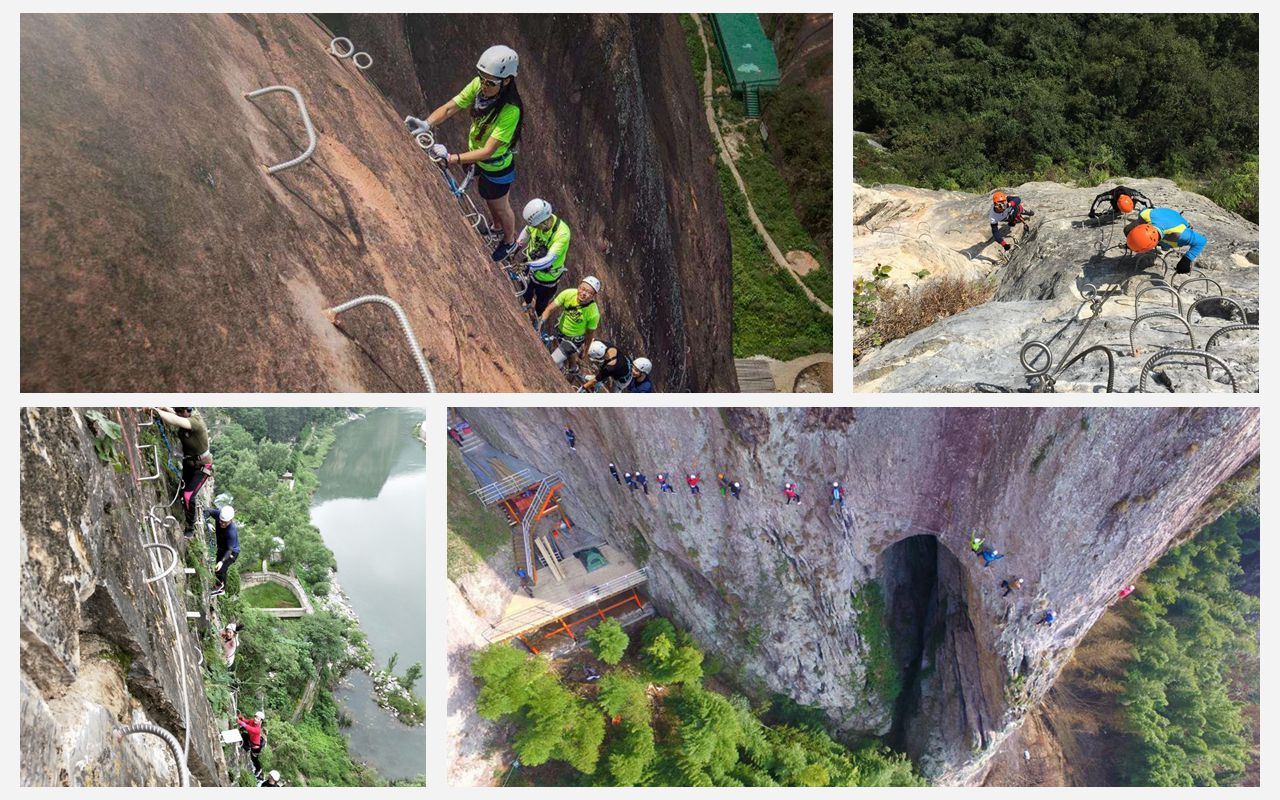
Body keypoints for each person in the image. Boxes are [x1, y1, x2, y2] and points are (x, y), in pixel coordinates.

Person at [405, 45, 524, 261]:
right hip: (477, 156)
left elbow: (488, 151)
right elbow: (452, 106)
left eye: (491, 82)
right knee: (487, 197)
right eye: (482, 78)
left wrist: (452, 158)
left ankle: (508, 241)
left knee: (500, 204)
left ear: (506, 81)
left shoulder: (511, 110)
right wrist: (426, 124)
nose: (484, 85)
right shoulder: (480, 86)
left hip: (496, 166)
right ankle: (496, 227)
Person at [149, 406, 211, 536]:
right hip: (189, 464)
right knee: (184, 492)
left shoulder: (195, 422)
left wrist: (158, 412)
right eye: (176, 411)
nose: (177, 413)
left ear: (186, 411)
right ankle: (185, 511)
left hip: (203, 467)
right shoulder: (185, 416)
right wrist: (162, 407)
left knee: (188, 495)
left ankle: (190, 526)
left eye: (179, 411)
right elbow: (174, 414)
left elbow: (175, 420)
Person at [515, 199, 571, 315]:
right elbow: (527, 230)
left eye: (537, 226)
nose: (534, 228)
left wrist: (526, 265)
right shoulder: (537, 221)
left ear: (544, 222)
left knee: (541, 303)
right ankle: (527, 303)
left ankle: (537, 317)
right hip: (530, 267)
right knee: (526, 291)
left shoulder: (562, 233)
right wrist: (516, 246)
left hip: (547, 277)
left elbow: (549, 260)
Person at [538, 277, 601, 372]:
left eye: (588, 292)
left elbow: (590, 333)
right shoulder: (568, 294)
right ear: (579, 286)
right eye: (583, 289)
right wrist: (539, 325)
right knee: (562, 351)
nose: (584, 293)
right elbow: (549, 309)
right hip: (561, 329)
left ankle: (565, 368)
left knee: (553, 361)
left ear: (594, 295)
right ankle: (573, 367)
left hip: (574, 339)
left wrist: (585, 350)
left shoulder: (593, 312)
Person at [1124, 207, 1207, 273]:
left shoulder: (1180, 234)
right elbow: (1145, 210)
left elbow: (1201, 241)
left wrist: (1187, 259)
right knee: (1127, 230)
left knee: (1166, 246)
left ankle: (1164, 246)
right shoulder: (1144, 215)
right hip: (1161, 214)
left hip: (1175, 221)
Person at [206, 505, 240, 596]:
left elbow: (229, 550)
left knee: (220, 569)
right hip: (221, 548)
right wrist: (207, 522)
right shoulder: (218, 514)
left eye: (225, 522)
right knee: (218, 570)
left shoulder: (231, 531)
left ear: (230, 520)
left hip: (231, 552)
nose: (222, 524)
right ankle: (219, 586)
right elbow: (207, 511)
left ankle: (221, 589)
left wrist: (222, 561)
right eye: (221, 521)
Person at [237, 709, 266, 776]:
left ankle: (258, 769)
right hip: (251, 739)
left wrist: (239, 722)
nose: (256, 719)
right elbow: (246, 721)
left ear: (261, 721)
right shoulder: (252, 721)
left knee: (254, 759)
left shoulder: (257, 729)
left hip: (256, 747)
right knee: (243, 735)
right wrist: (241, 718)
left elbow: (248, 728)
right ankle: (246, 748)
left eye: (258, 719)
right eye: (256, 717)